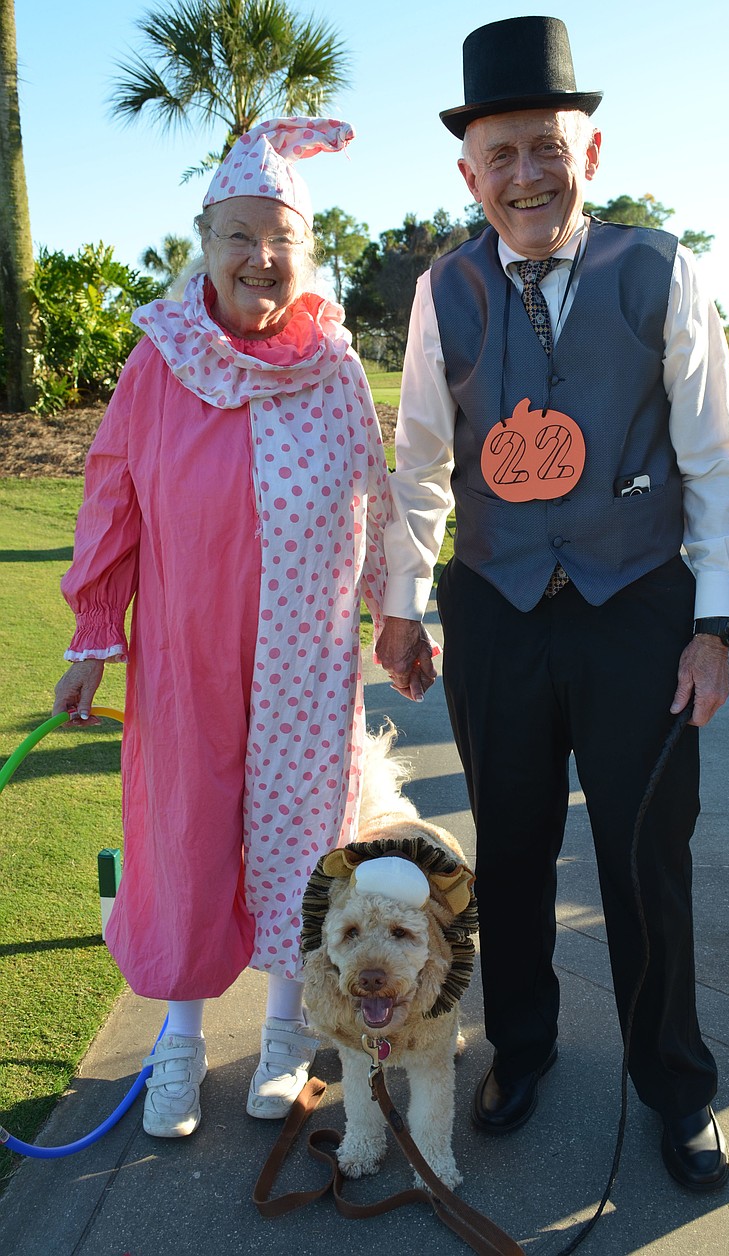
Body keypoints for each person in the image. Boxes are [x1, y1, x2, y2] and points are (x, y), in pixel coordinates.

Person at [375, 16, 729, 1192]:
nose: (527, 173)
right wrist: (406, 602)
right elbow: (421, 460)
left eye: (547, 146)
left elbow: (718, 462)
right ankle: (523, 1044)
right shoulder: (444, 287)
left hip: (636, 601)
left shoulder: (660, 267)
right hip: (493, 605)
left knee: (647, 855)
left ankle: (673, 1082)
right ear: (468, 173)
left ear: (587, 151)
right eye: (503, 155)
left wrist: (712, 623)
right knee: (517, 849)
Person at [52, 117, 389, 1139]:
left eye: (279, 237)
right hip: (185, 649)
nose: (261, 256)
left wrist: (403, 616)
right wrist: (92, 632)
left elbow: (379, 494)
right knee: (186, 835)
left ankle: (285, 1033)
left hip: (307, 648)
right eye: (239, 235)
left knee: (298, 833)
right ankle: (179, 1039)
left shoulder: (332, 366)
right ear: (205, 242)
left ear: (306, 249)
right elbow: (112, 494)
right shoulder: (159, 362)